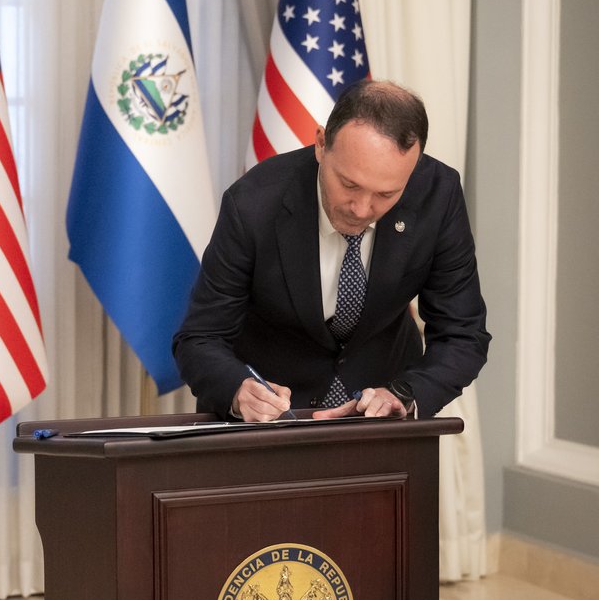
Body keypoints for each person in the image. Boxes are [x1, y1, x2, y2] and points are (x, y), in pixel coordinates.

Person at [172, 79, 489, 422]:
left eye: (386, 195)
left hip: (381, 423)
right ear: (322, 144)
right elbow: (199, 338)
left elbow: (463, 333)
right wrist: (238, 390)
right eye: (349, 184)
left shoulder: (437, 196)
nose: (362, 208)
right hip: (268, 424)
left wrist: (405, 395)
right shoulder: (252, 204)